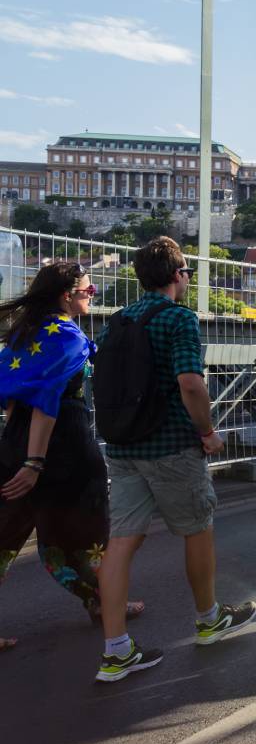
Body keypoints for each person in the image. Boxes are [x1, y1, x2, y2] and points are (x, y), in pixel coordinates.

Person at [95, 237, 256, 682]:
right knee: (197, 529)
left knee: (121, 543)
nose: (187, 277)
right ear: (175, 275)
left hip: (123, 447)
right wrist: (207, 432)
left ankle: (115, 649)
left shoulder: (114, 323)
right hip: (170, 446)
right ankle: (208, 618)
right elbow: (190, 383)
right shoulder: (178, 319)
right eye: (186, 270)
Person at [0, 262, 144, 652]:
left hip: (14, 444)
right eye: (89, 290)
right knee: (87, 534)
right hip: (63, 452)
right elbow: (49, 405)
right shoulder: (67, 338)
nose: (92, 295)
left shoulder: (22, 335)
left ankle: (100, 601)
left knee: (5, 536)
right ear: (68, 296)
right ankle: (104, 603)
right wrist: (35, 463)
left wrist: (17, 453)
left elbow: (14, 402)